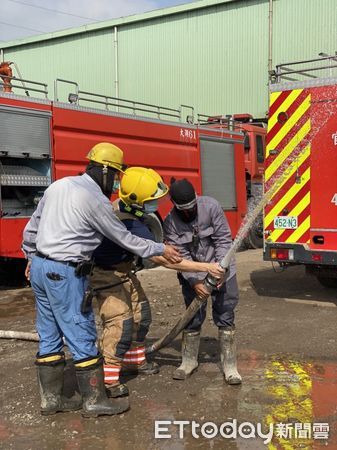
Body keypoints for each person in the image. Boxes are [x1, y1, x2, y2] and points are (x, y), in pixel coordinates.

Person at [22, 142, 182, 418]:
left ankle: (51, 400)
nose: (116, 182)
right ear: (106, 171)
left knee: (48, 335)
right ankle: (95, 400)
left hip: (39, 267)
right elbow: (124, 238)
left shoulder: (59, 186)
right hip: (66, 272)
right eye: (117, 175)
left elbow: (32, 227)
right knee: (81, 331)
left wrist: (29, 257)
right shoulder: (94, 199)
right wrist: (159, 248)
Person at [91, 167, 225, 398]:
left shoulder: (124, 210)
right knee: (119, 324)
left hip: (124, 271)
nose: (157, 204)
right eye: (152, 200)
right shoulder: (132, 226)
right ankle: (109, 382)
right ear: (138, 201)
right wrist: (206, 267)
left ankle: (135, 361)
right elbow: (168, 261)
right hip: (105, 275)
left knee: (142, 315)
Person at [163, 178, 242, 385]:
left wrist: (221, 269)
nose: (189, 212)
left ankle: (229, 365)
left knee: (225, 313)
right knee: (192, 317)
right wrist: (195, 281)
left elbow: (223, 239)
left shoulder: (211, 206)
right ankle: (189, 361)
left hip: (223, 270)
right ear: (175, 205)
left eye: (192, 206)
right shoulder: (170, 222)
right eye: (184, 208)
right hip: (194, 274)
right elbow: (180, 257)